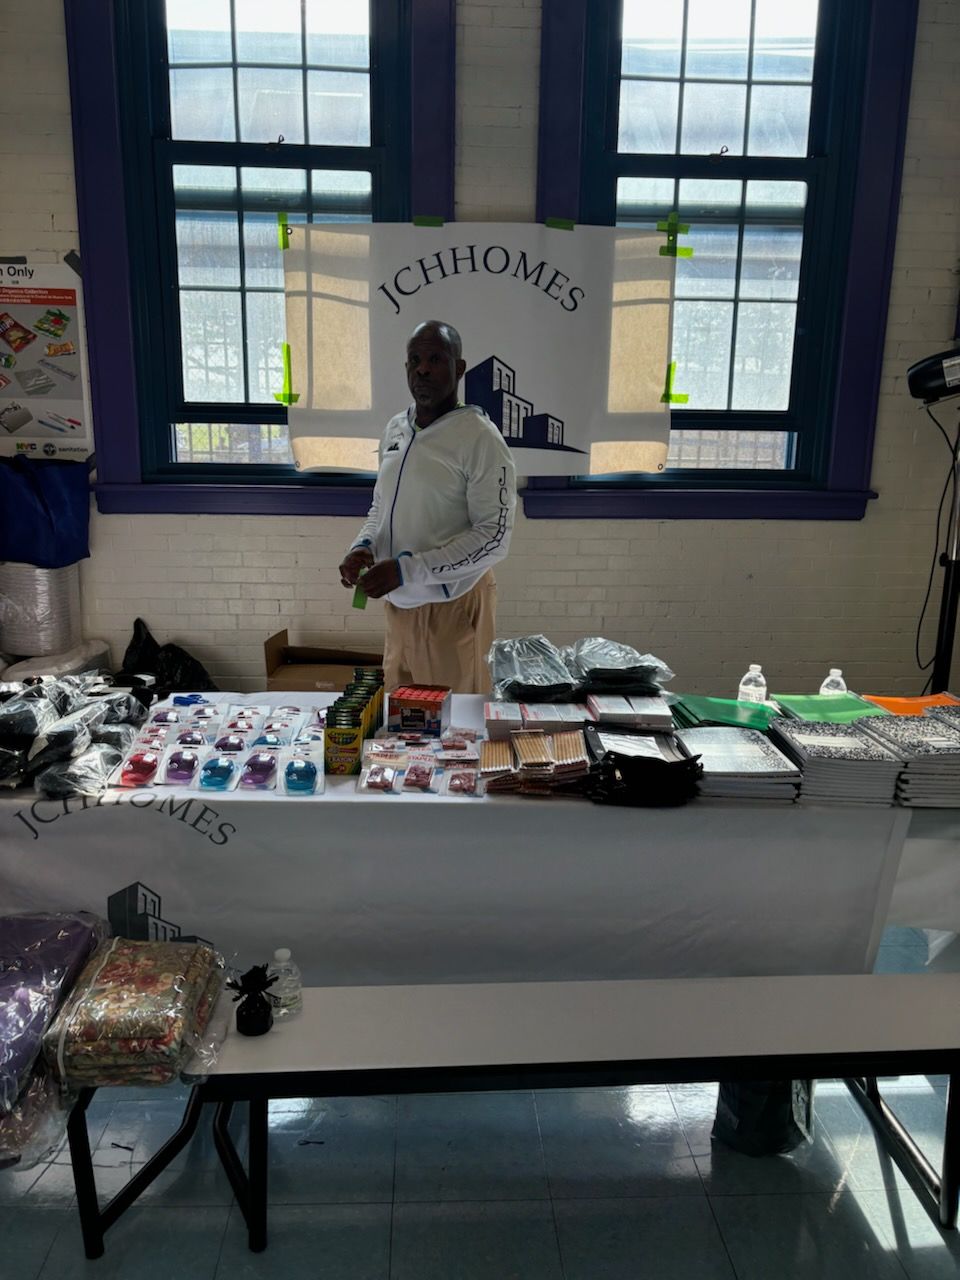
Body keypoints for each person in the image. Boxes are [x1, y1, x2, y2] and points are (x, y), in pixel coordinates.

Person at [339, 320, 516, 694]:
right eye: (414, 360)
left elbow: (494, 537)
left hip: (451, 607)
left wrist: (406, 570)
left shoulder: (479, 437)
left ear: (459, 368)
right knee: (400, 722)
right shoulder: (395, 428)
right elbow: (381, 506)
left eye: (435, 359)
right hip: (398, 609)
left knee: (453, 724)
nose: (422, 369)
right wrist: (363, 547)